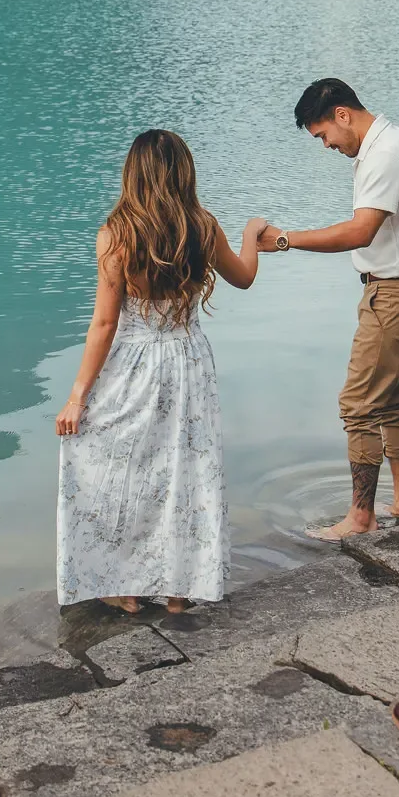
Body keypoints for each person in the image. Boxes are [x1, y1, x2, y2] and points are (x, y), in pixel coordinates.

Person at [56, 128, 267, 615]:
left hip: (133, 362)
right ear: (183, 173)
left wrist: (77, 396)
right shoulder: (202, 226)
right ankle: (178, 589)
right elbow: (245, 277)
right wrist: (252, 234)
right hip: (189, 359)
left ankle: (124, 583)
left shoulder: (116, 235)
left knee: (118, 465)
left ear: (134, 174)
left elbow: (105, 323)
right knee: (186, 468)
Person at [258, 78, 399, 539]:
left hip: (397, 293)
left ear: (342, 114)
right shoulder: (391, 142)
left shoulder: (383, 154)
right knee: (392, 402)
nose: (326, 146)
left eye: (323, 135)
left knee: (358, 406)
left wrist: (285, 240)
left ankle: (360, 518)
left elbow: (360, 232)